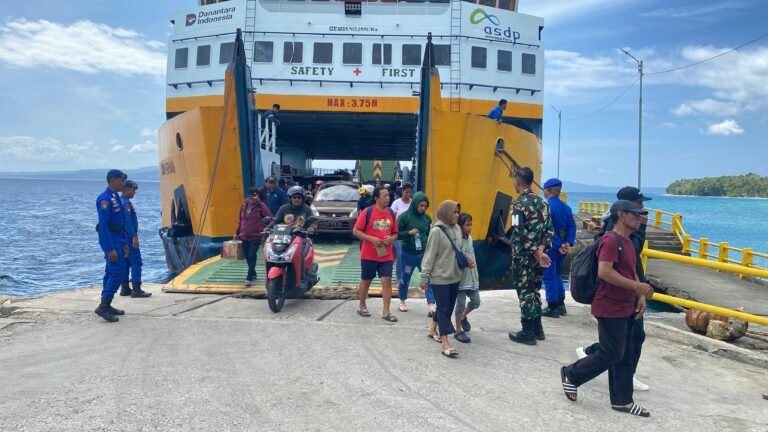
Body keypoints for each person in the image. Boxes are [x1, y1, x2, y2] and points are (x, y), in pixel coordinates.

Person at [561, 200, 654, 418]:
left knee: (626, 353)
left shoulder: (628, 242)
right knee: (612, 352)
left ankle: (623, 401)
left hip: (626, 305)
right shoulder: (611, 241)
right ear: (621, 215)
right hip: (609, 305)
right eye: (637, 214)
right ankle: (572, 375)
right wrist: (638, 287)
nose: (641, 218)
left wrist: (639, 295)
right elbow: (605, 272)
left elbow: (630, 271)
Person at [577, 186, 653, 391]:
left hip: (629, 290)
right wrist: (638, 287)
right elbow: (609, 268)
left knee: (627, 341)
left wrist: (640, 290)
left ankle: (623, 393)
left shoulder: (619, 229)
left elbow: (631, 261)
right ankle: (574, 373)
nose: (642, 212)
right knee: (621, 345)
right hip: (614, 295)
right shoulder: (615, 234)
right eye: (638, 207)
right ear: (624, 211)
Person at [507, 167, 553, 346]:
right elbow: (549, 230)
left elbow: (518, 231)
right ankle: (537, 328)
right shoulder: (544, 204)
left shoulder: (518, 204)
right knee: (535, 290)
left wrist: (534, 249)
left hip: (523, 257)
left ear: (518, 181)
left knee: (525, 291)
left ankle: (527, 332)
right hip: (539, 258)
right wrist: (541, 249)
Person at [420, 200, 469, 358]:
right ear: (446, 213)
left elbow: (460, 250)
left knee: (447, 307)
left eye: (457, 212)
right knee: (443, 308)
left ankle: (432, 327)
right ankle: (445, 343)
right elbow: (429, 256)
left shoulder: (457, 229)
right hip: (440, 277)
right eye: (454, 212)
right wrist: (424, 277)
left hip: (455, 276)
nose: (457, 215)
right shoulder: (436, 231)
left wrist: (468, 260)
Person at [353, 186, 398, 322]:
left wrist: (391, 238)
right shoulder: (367, 212)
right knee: (366, 280)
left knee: (387, 280)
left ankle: (386, 312)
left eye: (388, 196)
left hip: (386, 255)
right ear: (377, 198)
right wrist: (371, 238)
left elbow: (395, 232)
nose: (387, 198)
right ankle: (362, 305)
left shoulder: (391, 213)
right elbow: (356, 231)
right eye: (384, 196)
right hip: (369, 254)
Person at [94, 169, 130, 323]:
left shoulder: (115, 197)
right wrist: (110, 249)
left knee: (110, 272)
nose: (123, 183)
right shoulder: (105, 199)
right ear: (113, 180)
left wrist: (125, 244)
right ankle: (103, 306)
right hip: (111, 239)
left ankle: (107, 303)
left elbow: (121, 223)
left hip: (119, 238)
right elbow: (103, 226)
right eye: (121, 180)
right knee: (118, 271)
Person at [541, 178, 576, 318]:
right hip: (563, 246)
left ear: (548, 190)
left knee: (549, 276)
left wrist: (557, 245)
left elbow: (549, 229)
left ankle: (552, 306)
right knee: (557, 274)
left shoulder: (547, 207)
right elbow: (572, 227)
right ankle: (561, 304)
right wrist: (568, 243)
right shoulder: (566, 207)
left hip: (551, 247)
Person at [395, 191, 433, 313]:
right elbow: (396, 235)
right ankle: (402, 300)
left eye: (425, 206)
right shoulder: (404, 217)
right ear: (415, 204)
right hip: (408, 254)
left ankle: (431, 304)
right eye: (420, 205)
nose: (423, 208)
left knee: (427, 278)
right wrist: (408, 233)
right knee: (405, 278)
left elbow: (429, 233)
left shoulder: (427, 218)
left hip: (423, 255)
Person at [234, 187, 273, 287]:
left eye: (255, 196)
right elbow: (240, 220)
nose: (252, 198)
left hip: (255, 235)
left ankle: (249, 277)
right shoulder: (243, 205)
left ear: (258, 196)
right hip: (244, 235)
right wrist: (236, 233)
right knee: (247, 255)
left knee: (252, 254)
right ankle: (253, 271)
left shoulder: (261, 206)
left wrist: (266, 227)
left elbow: (270, 218)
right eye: (251, 196)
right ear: (247, 196)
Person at [119, 180, 151, 298]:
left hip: (123, 237)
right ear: (126, 189)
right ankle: (136, 289)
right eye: (133, 190)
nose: (134, 193)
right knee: (136, 261)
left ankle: (125, 288)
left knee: (126, 262)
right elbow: (128, 223)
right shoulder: (125, 203)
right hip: (129, 237)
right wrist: (134, 237)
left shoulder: (120, 202)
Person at [453, 213, 480, 344]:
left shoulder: (470, 239)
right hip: (461, 278)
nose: (470, 227)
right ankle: (458, 330)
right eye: (467, 225)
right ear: (460, 226)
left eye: (471, 224)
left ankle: (463, 316)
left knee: (476, 301)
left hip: (472, 276)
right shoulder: (457, 241)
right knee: (460, 304)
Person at [390, 183, 413, 286]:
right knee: (400, 255)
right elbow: (391, 217)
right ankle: (399, 278)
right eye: (406, 192)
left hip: (409, 234)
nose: (408, 194)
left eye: (410, 192)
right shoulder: (396, 203)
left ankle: (405, 277)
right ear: (402, 191)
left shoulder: (412, 203)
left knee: (407, 256)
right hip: (398, 234)